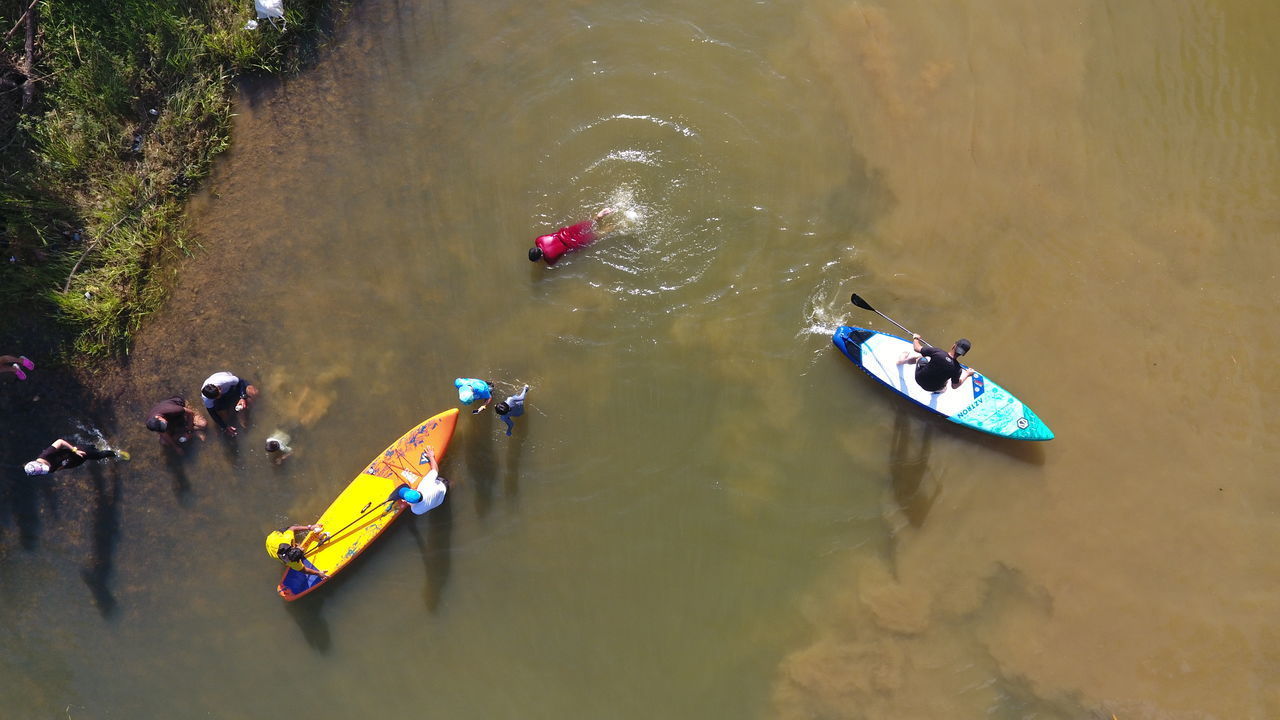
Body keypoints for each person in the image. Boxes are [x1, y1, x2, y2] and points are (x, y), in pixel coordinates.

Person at [528, 207, 615, 265]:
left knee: (599, 234)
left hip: (574, 242)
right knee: (592, 222)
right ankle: (600, 216)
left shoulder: (550, 259)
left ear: (540, 258)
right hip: (569, 231)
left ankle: (615, 225)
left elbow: (556, 258)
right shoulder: (539, 240)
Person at [896, 335, 975, 393]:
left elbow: (916, 348)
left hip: (920, 379)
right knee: (945, 382)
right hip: (933, 388)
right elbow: (954, 386)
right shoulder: (957, 369)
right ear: (963, 354)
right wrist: (967, 374)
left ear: (954, 345)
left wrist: (916, 338)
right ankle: (939, 390)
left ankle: (902, 361)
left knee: (920, 357)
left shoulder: (937, 352)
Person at [390, 445, 449, 515]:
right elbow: (435, 470)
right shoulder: (426, 484)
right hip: (442, 487)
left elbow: (414, 504)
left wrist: (408, 501)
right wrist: (431, 456)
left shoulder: (415, 510)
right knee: (446, 482)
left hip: (438, 502)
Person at [24, 438, 129, 476]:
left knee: (101, 455)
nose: (44, 469)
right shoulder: (45, 470)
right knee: (95, 449)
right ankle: (97, 446)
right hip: (75, 461)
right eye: (42, 471)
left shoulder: (46, 455)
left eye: (43, 467)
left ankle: (117, 454)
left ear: (38, 463)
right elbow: (56, 468)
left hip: (79, 452)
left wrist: (74, 450)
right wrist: (64, 467)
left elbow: (60, 441)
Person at [200, 371, 256, 437]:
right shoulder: (207, 399)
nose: (219, 396)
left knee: (253, 393)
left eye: (219, 394)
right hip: (221, 399)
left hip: (232, 387)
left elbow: (241, 382)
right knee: (223, 417)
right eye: (217, 397)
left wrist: (242, 397)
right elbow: (212, 413)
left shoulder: (225, 380)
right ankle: (220, 429)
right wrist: (224, 427)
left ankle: (246, 412)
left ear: (219, 388)